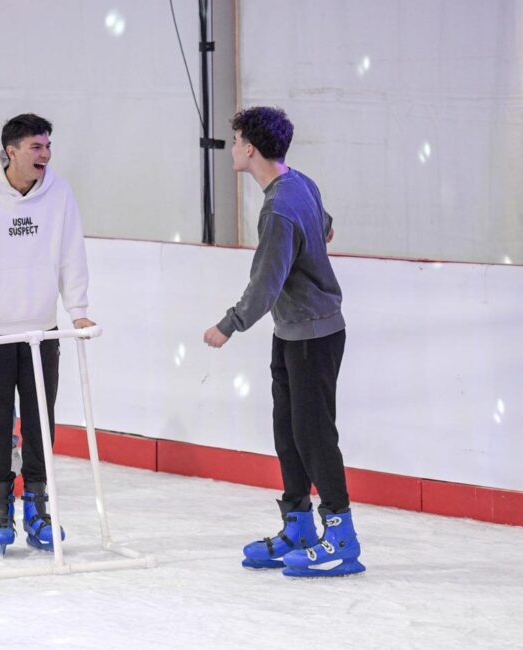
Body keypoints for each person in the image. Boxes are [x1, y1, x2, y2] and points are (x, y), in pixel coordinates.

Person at [203, 106, 364, 578]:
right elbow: (326, 224)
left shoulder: (278, 207)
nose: (232, 149)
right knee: (289, 431)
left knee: (314, 436)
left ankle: (342, 537)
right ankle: (298, 524)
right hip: (294, 331)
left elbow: (265, 283)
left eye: (234, 141)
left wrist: (229, 324)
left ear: (249, 147)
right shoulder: (299, 184)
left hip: (313, 334)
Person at [0, 113, 95, 554]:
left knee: (39, 421)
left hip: (41, 331)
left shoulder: (59, 194)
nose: (45, 155)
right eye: (36, 147)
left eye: (47, 146)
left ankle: (37, 501)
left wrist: (78, 310)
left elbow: (72, 253)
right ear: (10, 152)